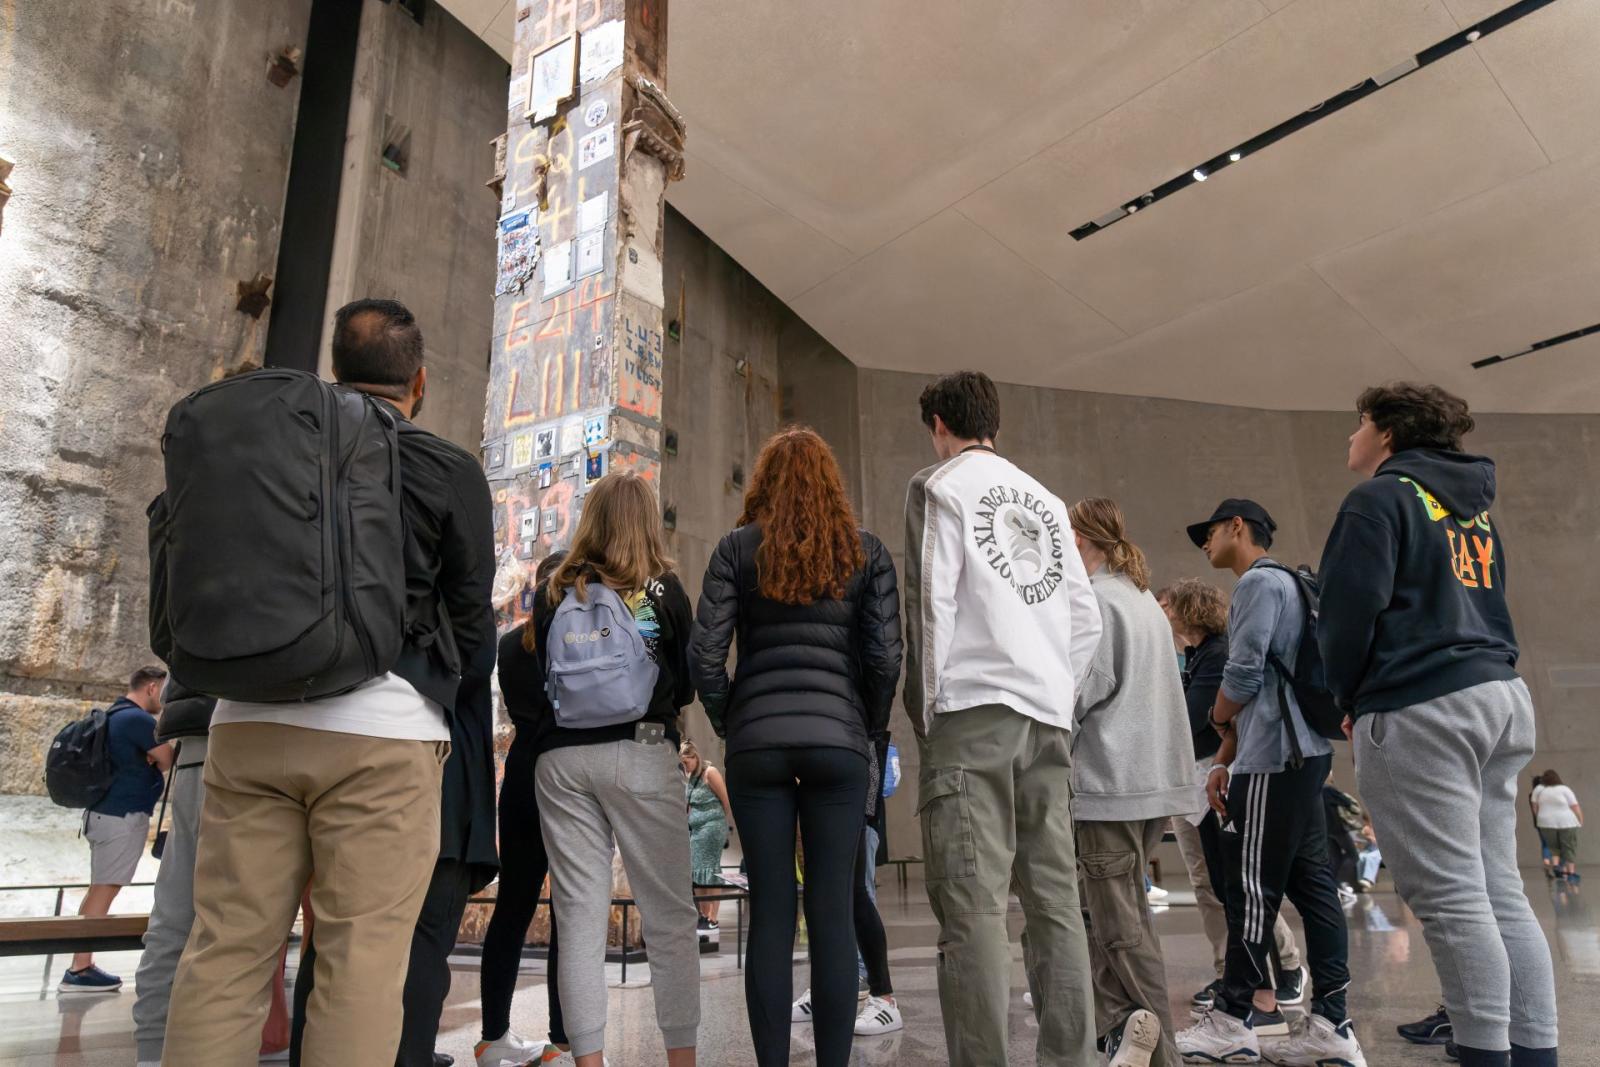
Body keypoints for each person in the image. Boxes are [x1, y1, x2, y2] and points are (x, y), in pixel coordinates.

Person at [165, 298, 494, 1066]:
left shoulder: (282, 449)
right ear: (420, 382)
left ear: (333, 372)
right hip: (382, 736)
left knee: (222, 955)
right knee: (361, 965)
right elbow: (474, 628)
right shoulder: (444, 467)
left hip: (245, 723)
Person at [1318, 382, 1558, 1067]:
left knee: (1451, 899)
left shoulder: (1378, 498)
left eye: (1358, 423)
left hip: (1423, 701)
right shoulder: (1470, 513)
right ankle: (1535, 1051)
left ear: (1388, 433)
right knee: (1497, 887)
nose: (1351, 438)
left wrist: (1348, 691)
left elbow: (1346, 614)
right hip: (1499, 695)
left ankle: (1483, 1051)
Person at [901, 371, 1102, 1067]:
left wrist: (929, 716)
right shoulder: (1047, 501)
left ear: (938, 425)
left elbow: (931, 606)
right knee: (1054, 904)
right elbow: (1086, 617)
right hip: (1047, 720)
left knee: (974, 910)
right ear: (996, 422)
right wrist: (1055, 692)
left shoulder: (940, 486)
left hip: (973, 713)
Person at [691, 426, 902, 1067]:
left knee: (773, 911)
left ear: (764, 485)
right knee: (833, 909)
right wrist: (860, 726)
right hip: (838, 745)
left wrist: (734, 721)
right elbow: (885, 659)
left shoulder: (736, 549)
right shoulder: (865, 552)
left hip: (758, 746)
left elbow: (705, 655)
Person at [1175, 499, 1365, 1067]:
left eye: (1207, 532)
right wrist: (1228, 747)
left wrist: (1217, 719)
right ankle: (1333, 1021)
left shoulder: (1258, 583)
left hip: (1272, 760)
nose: (1203, 544)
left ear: (1238, 527)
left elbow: (1245, 672)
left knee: (1249, 888)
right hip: (1304, 754)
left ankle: (1234, 1018)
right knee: (1313, 888)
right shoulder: (1293, 584)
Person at [526, 472, 701, 1067]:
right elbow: (686, 679)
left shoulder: (555, 590)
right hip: (642, 752)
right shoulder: (656, 592)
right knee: (671, 920)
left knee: (578, 920)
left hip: (561, 760)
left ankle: (589, 1063)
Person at [1066, 499, 1199, 1067]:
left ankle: (1162, 1052)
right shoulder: (1142, 599)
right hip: (1148, 786)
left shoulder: (1097, 602)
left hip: (1108, 787)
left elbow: (1077, 694)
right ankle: (1126, 1028)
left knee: (1121, 928)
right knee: (1108, 915)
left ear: (1081, 539)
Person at [1156, 581, 1304, 1017]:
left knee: (1237, 884)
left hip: (1214, 775)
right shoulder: (1192, 656)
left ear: (1189, 611)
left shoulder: (1217, 653)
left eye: (1168, 605)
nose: (1162, 613)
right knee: (1209, 885)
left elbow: (1194, 718)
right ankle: (1230, 972)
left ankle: (1279, 970)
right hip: (1191, 780)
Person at [131, 677, 293, 1064]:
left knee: (180, 908)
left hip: (206, 734)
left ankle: (156, 1047)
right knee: (198, 911)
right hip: (266, 731)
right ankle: (161, 1045)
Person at [478, 550, 570, 1067]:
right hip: (567, 783)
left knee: (511, 908)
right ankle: (561, 1036)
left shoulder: (512, 646)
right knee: (568, 915)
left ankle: (493, 1035)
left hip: (520, 780)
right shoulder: (575, 646)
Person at [61, 665, 172, 993]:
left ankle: (80, 963)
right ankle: (79, 970)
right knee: (105, 890)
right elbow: (167, 758)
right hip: (121, 818)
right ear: (151, 687)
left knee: (98, 889)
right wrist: (156, 758)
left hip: (101, 815)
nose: (165, 700)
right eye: (163, 692)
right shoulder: (137, 720)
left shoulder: (112, 715)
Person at [679, 740, 733, 932]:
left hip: (712, 828)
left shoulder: (710, 773)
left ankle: (713, 917)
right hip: (696, 830)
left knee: (709, 869)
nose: (685, 766)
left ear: (695, 758)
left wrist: (717, 821)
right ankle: (702, 914)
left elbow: (726, 800)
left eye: (686, 762)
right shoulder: (692, 777)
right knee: (696, 870)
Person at [1534, 770, 1583, 883]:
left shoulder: (1539, 790)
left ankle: (1557, 869)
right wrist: (1580, 820)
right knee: (1568, 846)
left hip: (1546, 823)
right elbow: (1575, 806)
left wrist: (1539, 819)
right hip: (1567, 822)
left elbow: (1535, 807)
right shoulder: (1564, 789)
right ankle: (1571, 873)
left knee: (1553, 846)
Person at [1529, 776, 1557, 879]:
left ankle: (1547, 863)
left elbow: (1534, 810)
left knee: (1545, 843)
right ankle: (1552, 865)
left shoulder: (1532, 795)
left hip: (1539, 823)